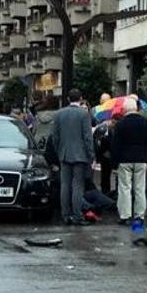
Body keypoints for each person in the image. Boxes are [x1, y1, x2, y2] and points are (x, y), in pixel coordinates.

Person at [49, 89, 94, 226]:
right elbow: (88, 137)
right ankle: (77, 215)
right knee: (77, 185)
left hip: (64, 153)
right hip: (80, 155)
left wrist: (59, 151)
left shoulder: (59, 114)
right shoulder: (84, 114)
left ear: (68, 99)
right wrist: (91, 155)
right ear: (80, 99)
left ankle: (65, 215)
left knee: (65, 184)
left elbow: (54, 137)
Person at [110, 97, 147, 225]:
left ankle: (125, 215)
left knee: (124, 188)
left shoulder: (120, 124)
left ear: (124, 110)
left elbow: (116, 145)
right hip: (141, 159)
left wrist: (114, 164)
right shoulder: (146, 123)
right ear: (136, 108)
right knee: (140, 188)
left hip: (125, 160)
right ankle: (139, 215)